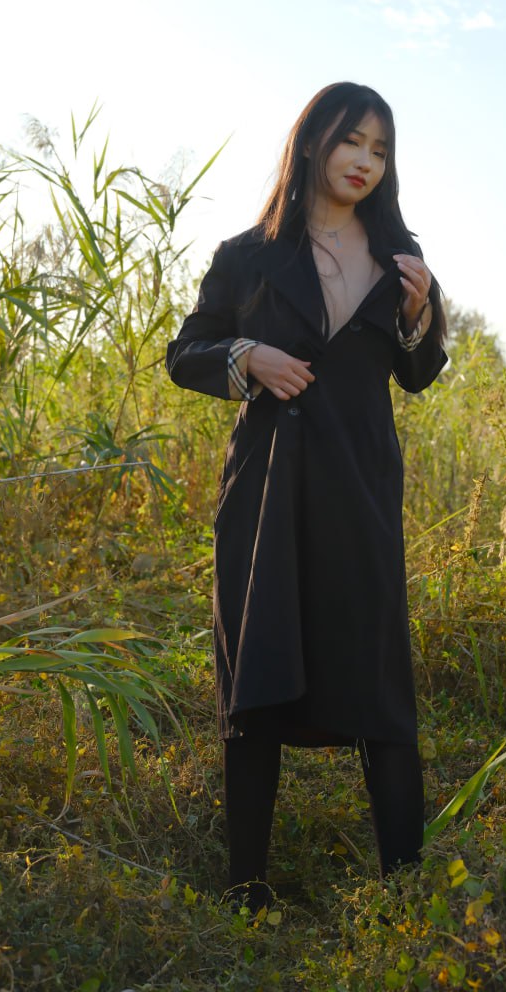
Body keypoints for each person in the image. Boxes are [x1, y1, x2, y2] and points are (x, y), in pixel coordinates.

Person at [166, 81, 447, 911]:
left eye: (380, 149)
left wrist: (418, 312)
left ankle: (407, 896)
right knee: (257, 678)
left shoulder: (400, 257)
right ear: (313, 141)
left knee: (378, 686)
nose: (364, 161)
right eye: (351, 140)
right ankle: (246, 894)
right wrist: (247, 356)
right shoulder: (247, 256)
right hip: (266, 494)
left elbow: (418, 373)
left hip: (359, 490)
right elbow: (184, 353)